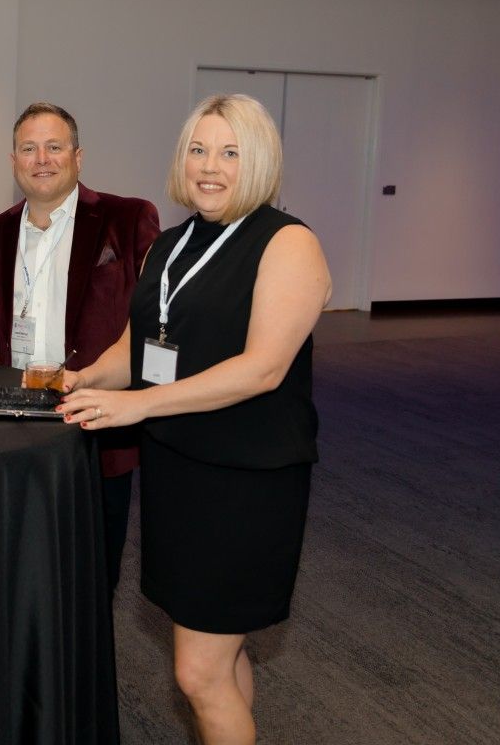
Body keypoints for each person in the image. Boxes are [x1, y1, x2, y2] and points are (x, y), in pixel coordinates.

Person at [57, 94, 331, 745]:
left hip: (247, 480)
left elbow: (262, 368)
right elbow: (138, 345)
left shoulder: (288, 243)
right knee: (222, 656)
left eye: (231, 153)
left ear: (260, 162)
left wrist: (137, 404)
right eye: (199, 150)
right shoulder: (171, 246)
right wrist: (85, 379)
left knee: (198, 673)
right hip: (180, 470)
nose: (211, 166)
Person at [0, 102, 159, 590]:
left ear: (78, 156)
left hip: (93, 417)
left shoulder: (127, 218)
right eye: (29, 149)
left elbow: (152, 317)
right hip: (15, 418)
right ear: (13, 162)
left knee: (92, 569)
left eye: (54, 147)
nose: (42, 159)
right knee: (16, 558)